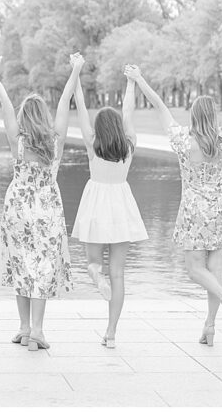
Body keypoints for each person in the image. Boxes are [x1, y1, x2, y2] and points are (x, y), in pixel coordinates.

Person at [126, 51, 222, 345]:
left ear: (194, 116)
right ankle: (209, 328)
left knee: (194, 269)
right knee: (216, 270)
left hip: (195, 210)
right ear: (212, 117)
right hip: (221, 206)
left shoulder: (184, 141)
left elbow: (159, 106)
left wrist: (138, 79)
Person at [0, 52, 82, 351]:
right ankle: (38, 331)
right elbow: (66, 100)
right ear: (43, 117)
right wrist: (75, 70)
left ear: (23, 117)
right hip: (47, 208)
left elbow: (4, 102)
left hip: (18, 207)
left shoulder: (17, 140)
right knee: (41, 266)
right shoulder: (55, 140)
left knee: (20, 264)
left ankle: (24, 327)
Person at [70, 70, 148, 349]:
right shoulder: (129, 145)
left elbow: (79, 105)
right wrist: (130, 83)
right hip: (120, 207)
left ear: (99, 128)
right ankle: (112, 333)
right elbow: (128, 110)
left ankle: (96, 278)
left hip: (95, 206)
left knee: (93, 264)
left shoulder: (93, 143)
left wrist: (76, 74)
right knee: (118, 273)